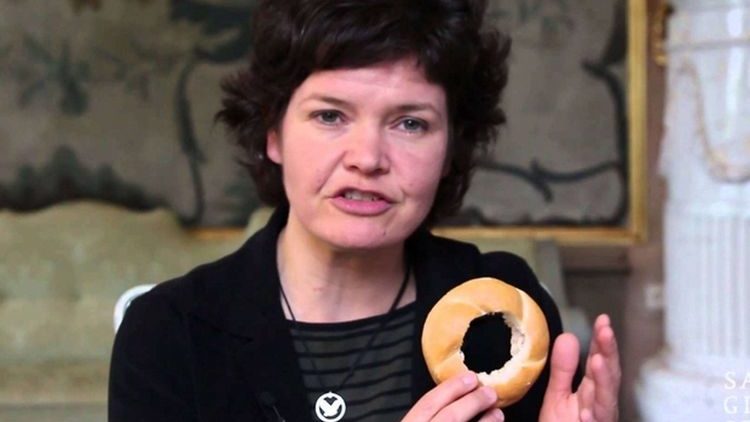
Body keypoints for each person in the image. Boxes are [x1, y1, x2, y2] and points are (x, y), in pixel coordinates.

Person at [108, 0, 621, 421]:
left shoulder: (503, 315)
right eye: (330, 116)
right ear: (273, 133)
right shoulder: (170, 332)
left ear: (451, 149)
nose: (368, 158)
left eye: (410, 123)